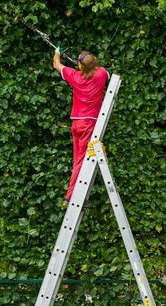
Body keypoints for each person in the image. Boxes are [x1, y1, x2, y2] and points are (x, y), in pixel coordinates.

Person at [52, 47, 109, 201]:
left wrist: (57, 53)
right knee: (81, 160)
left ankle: (73, 193)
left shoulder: (75, 76)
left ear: (80, 66)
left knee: (78, 159)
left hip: (76, 123)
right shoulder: (102, 73)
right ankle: (72, 195)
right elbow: (103, 73)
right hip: (89, 123)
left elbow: (57, 65)